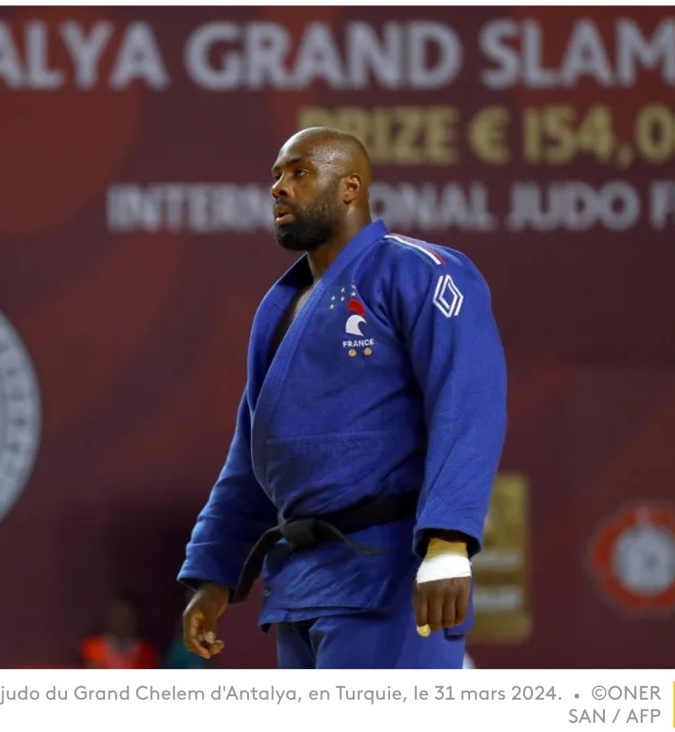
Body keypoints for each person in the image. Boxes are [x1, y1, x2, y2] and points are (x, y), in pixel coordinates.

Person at [177, 127, 507, 669]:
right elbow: (255, 457)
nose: (279, 188)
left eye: (299, 173)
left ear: (349, 187)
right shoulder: (280, 308)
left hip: (390, 576)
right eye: (276, 176)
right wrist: (214, 573)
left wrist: (448, 542)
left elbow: (468, 405)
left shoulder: (421, 272)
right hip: (301, 585)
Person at [77, 593, 160, 669]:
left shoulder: (147, 653)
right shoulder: (90, 648)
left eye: (128, 617)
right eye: (117, 615)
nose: (122, 621)